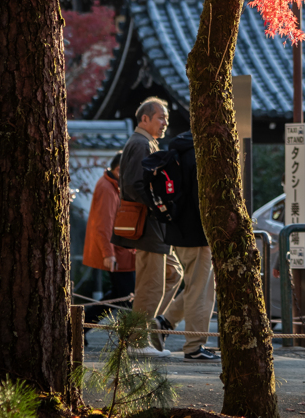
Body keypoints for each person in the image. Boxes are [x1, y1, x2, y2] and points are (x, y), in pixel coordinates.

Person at [111, 97, 184, 356]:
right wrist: (158, 206)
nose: (165, 123)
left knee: (173, 273)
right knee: (151, 284)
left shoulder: (146, 142)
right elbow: (132, 185)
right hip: (148, 222)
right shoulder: (140, 143)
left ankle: (148, 327)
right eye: (160, 117)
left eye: (165, 118)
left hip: (153, 223)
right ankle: (136, 341)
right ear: (144, 118)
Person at [159, 130, 219, 361]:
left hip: (179, 232)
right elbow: (200, 199)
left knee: (199, 285)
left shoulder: (178, 153)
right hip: (197, 234)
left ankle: (165, 321)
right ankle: (194, 346)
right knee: (199, 290)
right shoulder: (199, 157)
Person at [81, 153, 136, 337]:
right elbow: (103, 224)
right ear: (118, 170)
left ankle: (79, 328)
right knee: (124, 296)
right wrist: (108, 254)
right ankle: (80, 328)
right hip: (117, 252)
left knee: (119, 295)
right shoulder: (107, 187)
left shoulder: (112, 185)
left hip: (121, 251)